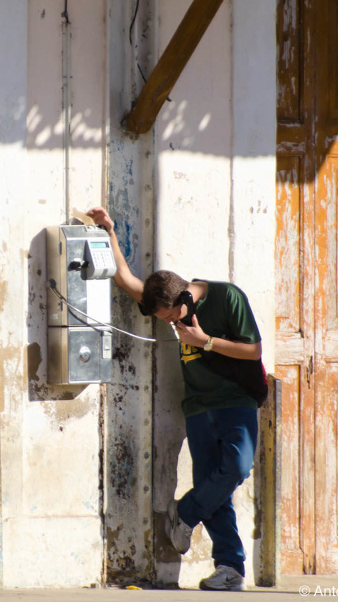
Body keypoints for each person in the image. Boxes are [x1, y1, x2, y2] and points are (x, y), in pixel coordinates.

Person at [87, 206, 264, 592]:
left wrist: (206, 342)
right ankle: (229, 568)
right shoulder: (169, 304)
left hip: (237, 401)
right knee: (212, 485)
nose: (170, 323)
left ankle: (185, 511)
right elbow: (127, 281)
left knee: (236, 466)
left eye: (170, 316)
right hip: (198, 407)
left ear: (184, 296)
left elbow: (253, 351)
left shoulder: (227, 298)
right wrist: (108, 233)